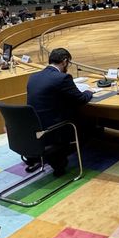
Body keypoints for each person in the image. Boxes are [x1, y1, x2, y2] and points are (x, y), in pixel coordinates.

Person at [25, 48, 91, 176]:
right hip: (54, 131)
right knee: (87, 122)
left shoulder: (33, 77)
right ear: (65, 61)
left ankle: (51, 157)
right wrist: (89, 92)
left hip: (34, 130)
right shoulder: (63, 78)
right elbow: (81, 99)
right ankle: (60, 159)